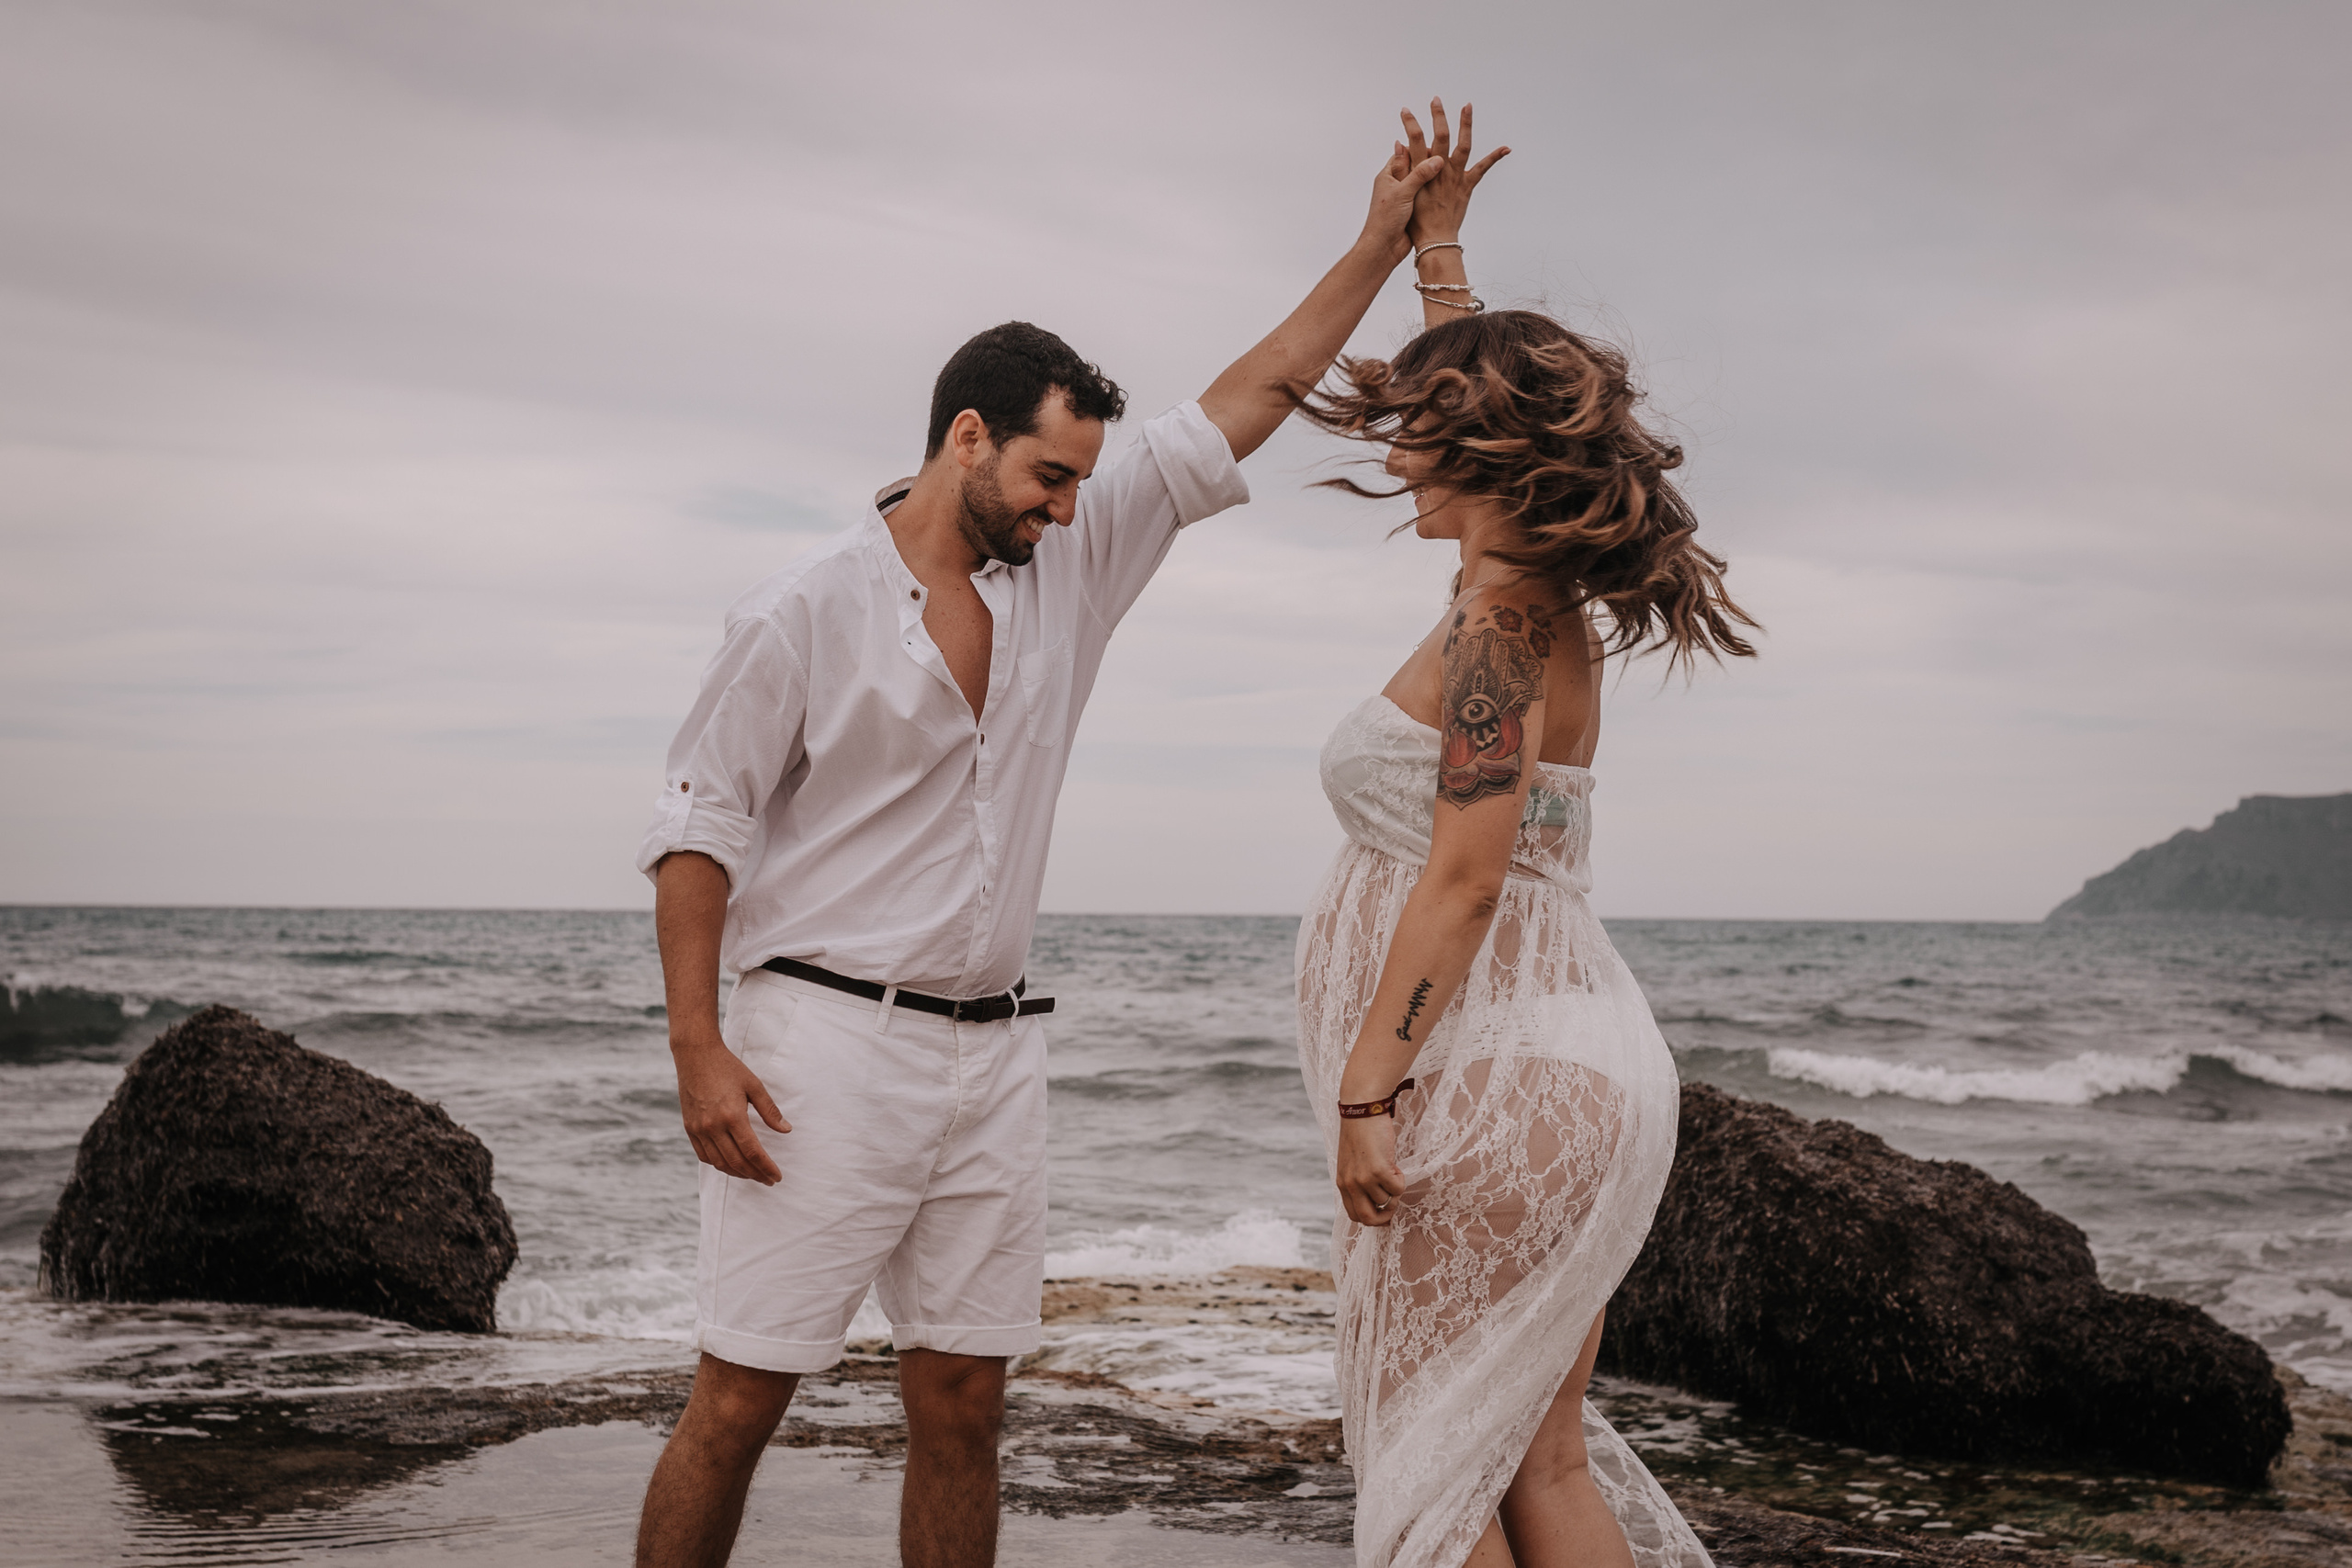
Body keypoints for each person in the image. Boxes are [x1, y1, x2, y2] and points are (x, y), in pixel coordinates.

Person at [630, 106, 1496, 1568]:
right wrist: (697, 1048)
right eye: (1050, 476)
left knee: (965, 1399)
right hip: (821, 1053)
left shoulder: (1069, 559)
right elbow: (698, 836)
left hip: (997, 1055)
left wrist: (1387, 240)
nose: (1072, 505)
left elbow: (1264, 386)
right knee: (742, 1394)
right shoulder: (802, 611)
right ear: (968, 438)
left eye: (1086, 480)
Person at [1290, 111, 1757, 1568]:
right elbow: (1488, 392)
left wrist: (1371, 1088)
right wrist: (1440, 262)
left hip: (1493, 1096)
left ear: (1470, 448)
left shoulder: (1497, 624)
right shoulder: (1527, 592)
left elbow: (1467, 874)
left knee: (1430, 1491)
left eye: (1415, 433)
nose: (1395, 457)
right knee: (1534, 1465)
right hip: (1573, 1074)